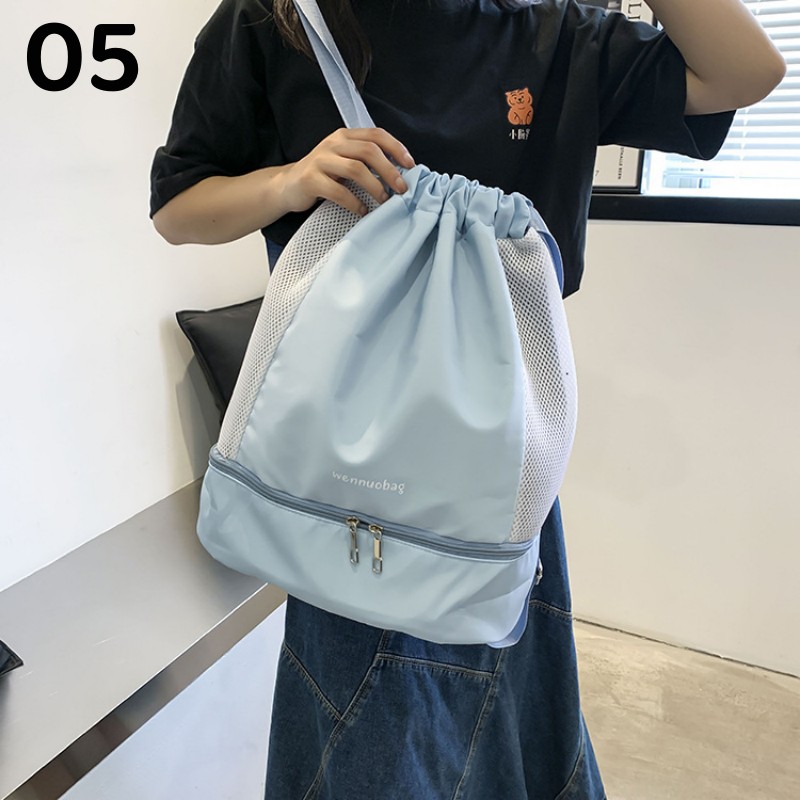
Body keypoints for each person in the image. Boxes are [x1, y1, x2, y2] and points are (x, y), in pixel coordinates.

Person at [150, 1, 784, 797]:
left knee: (511, 728)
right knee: (372, 743)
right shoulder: (280, 21)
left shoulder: (556, 34)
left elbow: (746, 72)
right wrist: (290, 182)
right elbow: (177, 207)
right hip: (350, 471)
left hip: (500, 462)